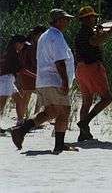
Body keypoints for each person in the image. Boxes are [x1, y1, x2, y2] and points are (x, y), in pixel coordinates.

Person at [11, 9, 78, 154]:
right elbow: (59, 61)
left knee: (51, 111)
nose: (68, 22)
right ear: (58, 20)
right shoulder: (56, 36)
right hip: (54, 79)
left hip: (44, 80)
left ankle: (21, 130)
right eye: (66, 19)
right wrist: (65, 81)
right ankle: (59, 145)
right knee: (64, 111)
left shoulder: (45, 36)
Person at [74, 6, 112, 142]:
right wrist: (110, 32)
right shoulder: (87, 32)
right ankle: (85, 122)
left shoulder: (82, 33)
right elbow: (95, 42)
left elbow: (93, 42)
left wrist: (100, 33)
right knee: (107, 98)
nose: (95, 19)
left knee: (87, 100)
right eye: (93, 17)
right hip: (92, 67)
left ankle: (83, 133)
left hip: (80, 69)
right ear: (88, 18)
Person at [17, 26, 47, 123]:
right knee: (29, 96)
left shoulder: (27, 44)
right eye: (40, 35)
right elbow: (34, 62)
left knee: (27, 96)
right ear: (36, 35)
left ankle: (26, 118)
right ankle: (30, 119)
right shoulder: (31, 46)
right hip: (30, 73)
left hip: (26, 73)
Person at [0, 35, 27, 132]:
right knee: (2, 103)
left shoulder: (8, 52)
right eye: (22, 44)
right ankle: (20, 121)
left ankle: (20, 122)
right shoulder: (13, 54)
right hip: (5, 79)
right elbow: (20, 70)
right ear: (17, 43)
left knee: (19, 99)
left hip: (8, 79)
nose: (23, 46)